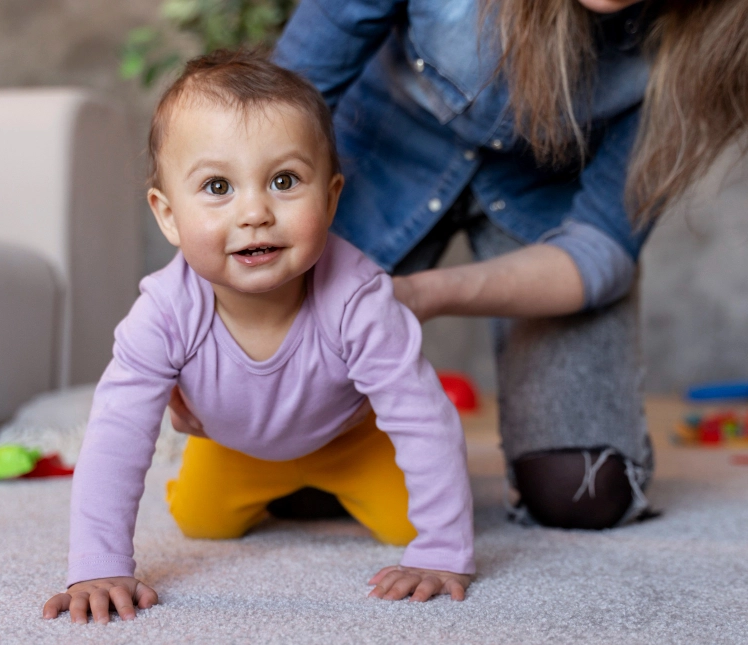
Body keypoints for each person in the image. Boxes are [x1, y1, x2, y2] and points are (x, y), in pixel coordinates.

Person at [171, 0, 748, 529]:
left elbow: (601, 249)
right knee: (294, 475)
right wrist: (197, 314)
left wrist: (420, 295)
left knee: (582, 492)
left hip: (547, 199)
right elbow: (270, 119)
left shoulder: (709, 39)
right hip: (376, 150)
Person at [43, 51, 475, 624]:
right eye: (218, 185)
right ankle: (288, 490)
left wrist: (443, 547)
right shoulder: (164, 313)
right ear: (168, 215)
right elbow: (117, 432)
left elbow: (423, 416)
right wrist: (97, 563)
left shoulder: (359, 300)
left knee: (407, 525)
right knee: (200, 520)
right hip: (236, 447)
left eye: (284, 181)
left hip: (350, 441)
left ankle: (325, 486)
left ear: (331, 196)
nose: (255, 212)